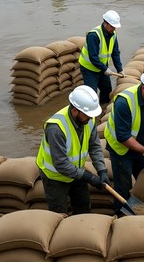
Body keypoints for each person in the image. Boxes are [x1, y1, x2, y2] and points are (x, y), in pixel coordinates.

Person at [104, 67, 144, 215]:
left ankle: (143, 210)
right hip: (121, 149)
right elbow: (123, 137)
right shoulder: (124, 102)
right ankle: (122, 216)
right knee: (123, 187)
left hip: (142, 145)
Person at [36, 85, 110, 214]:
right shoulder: (56, 128)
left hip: (76, 172)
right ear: (75, 110)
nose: (90, 117)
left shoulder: (89, 120)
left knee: (84, 206)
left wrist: (102, 170)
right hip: (55, 177)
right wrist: (90, 178)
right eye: (87, 115)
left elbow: (95, 146)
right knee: (58, 213)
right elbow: (61, 163)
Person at [79, 10, 124, 105]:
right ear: (105, 23)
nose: (114, 29)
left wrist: (120, 69)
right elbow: (93, 57)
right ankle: (90, 115)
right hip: (89, 69)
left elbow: (115, 53)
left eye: (115, 27)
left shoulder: (113, 35)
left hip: (102, 68)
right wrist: (105, 69)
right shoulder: (94, 35)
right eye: (112, 26)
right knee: (91, 95)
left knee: (107, 91)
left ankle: (103, 111)